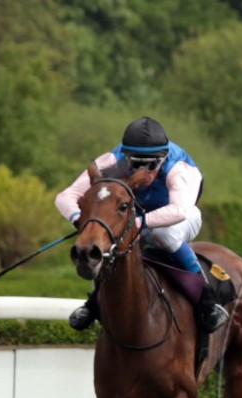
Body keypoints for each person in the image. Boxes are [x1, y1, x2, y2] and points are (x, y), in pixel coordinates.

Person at [55, 116, 228, 332]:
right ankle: (93, 304)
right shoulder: (112, 159)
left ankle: (208, 301)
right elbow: (65, 196)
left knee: (163, 234)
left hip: (181, 217)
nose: (145, 172)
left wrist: (136, 223)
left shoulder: (179, 168)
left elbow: (179, 210)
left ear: (163, 158)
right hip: (134, 214)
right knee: (105, 241)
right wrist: (81, 221)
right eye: (136, 164)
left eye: (152, 165)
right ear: (126, 156)